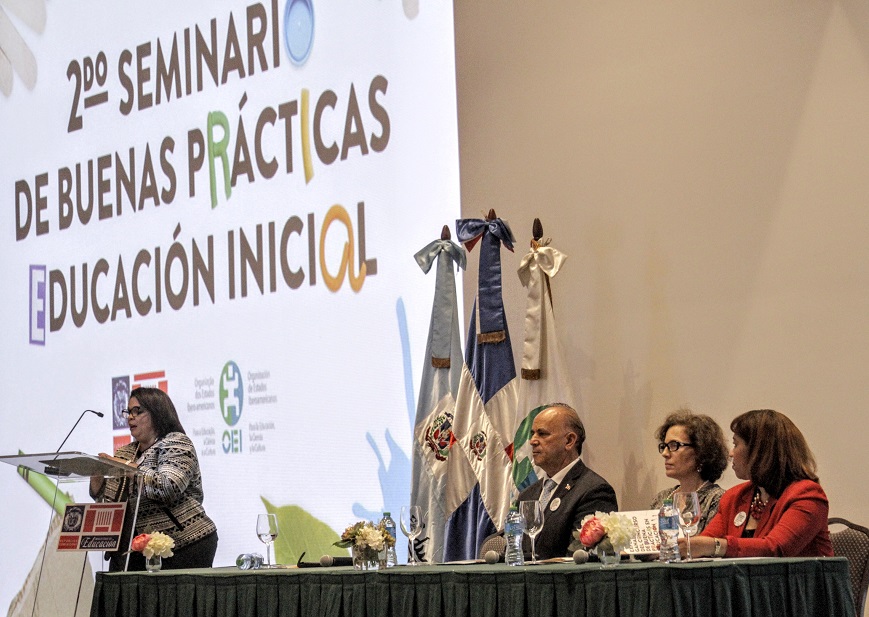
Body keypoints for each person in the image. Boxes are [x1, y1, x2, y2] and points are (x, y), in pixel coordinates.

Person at [90, 387, 219, 571]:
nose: (130, 417)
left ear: (157, 412)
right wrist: (98, 486)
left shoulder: (177, 443)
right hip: (137, 548)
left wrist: (130, 468)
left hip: (184, 543)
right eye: (128, 411)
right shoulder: (125, 452)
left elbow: (168, 487)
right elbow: (113, 504)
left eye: (137, 411)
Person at [687, 409, 832, 558]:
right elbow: (703, 544)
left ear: (759, 451)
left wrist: (716, 546)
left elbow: (776, 549)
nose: (731, 453)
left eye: (736, 444)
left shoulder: (807, 495)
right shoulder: (735, 497)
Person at [515, 403, 618, 559]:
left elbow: (580, 557)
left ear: (569, 440)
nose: (532, 441)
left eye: (542, 434)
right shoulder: (527, 495)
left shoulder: (594, 491)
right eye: (532, 433)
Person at [650, 409, 729, 532]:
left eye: (674, 445)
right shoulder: (661, 498)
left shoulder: (717, 500)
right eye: (664, 446)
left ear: (700, 451)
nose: (665, 453)